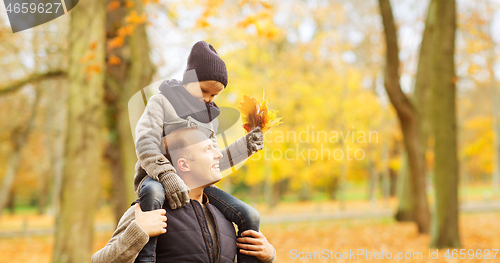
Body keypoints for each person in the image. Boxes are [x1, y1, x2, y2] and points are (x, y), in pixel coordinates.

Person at [133, 40, 264, 262]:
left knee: (249, 214)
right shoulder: (162, 103)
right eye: (204, 91)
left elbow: (212, 160)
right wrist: (167, 175)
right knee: (154, 194)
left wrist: (245, 146)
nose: (208, 99)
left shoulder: (209, 120)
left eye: (214, 96)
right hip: (156, 176)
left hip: (195, 183)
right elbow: (145, 142)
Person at [92, 127, 276, 263]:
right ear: (184, 165)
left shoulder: (224, 214)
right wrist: (137, 233)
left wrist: (268, 256)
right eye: (207, 149)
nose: (218, 155)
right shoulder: (149, 212)